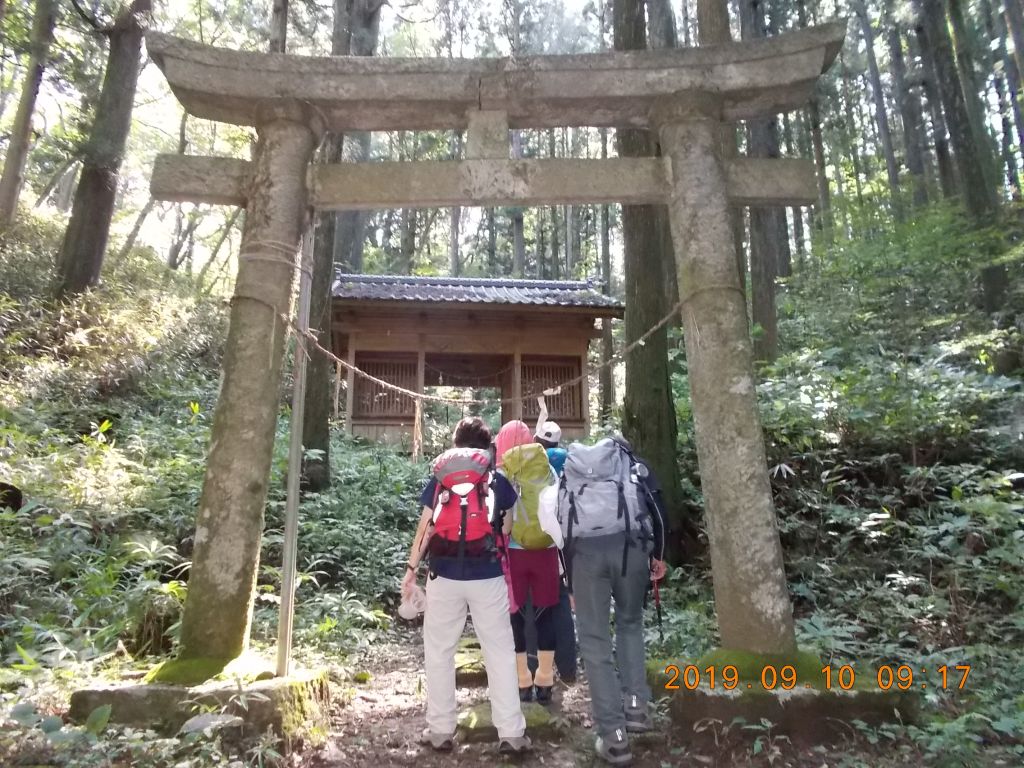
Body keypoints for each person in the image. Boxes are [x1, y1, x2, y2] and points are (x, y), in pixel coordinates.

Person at [402, 417, 532, 755]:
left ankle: (441, 730)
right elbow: (505, 530)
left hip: (444, 576)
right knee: (500, 653)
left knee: (440, 651)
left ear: (456, 444)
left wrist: (411, 569)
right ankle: (512, 734)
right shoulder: (495, 478)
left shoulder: (441, 477)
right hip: (488, 576)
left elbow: (425, 528)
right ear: (487, 446)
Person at [564, 435, 667, 766]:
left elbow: (560, 523)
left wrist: (568, 580)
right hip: (631, 549)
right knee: (630, 624)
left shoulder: (572, 472)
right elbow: (659, 510)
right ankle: (636, 708)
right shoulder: (633, 466)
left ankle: (614, 737)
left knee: (594, 641)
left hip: (584, 556)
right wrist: (659, 555)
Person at [494, 419, 563, 704]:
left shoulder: (504, 469)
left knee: (516, 617)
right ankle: (545, 680)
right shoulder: (546, 464)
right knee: (546, 615)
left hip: (514, 552)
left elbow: (499, 516)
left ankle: (522, 682)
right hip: (546, 549)